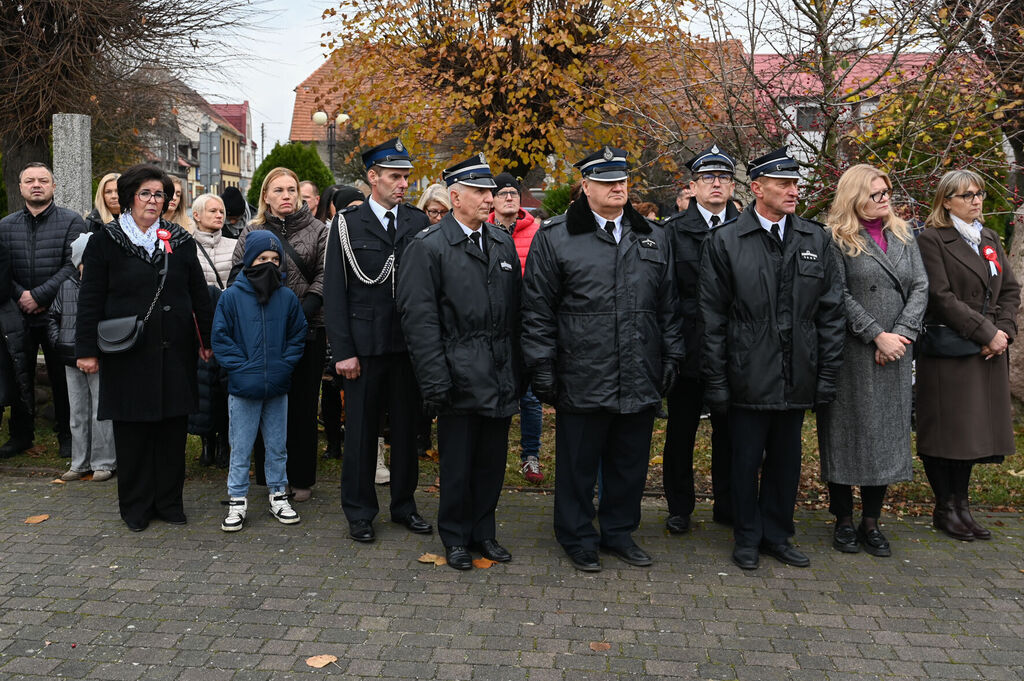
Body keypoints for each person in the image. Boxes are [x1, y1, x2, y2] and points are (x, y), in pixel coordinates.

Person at [522, 146, 684, 572]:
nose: (618, 187)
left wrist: (672, 357)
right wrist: (542, 366)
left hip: (638, 369)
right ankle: (576, 536)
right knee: (578, 463)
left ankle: (618, 532)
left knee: (628, 462)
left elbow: (668, 306)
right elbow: (537, 309)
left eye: (623, 180)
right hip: (582, 370)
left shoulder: (652, 235)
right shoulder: (556, 236)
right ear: (586, 186)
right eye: (608, 180)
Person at [700, 147, 845, 570]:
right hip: (748, 375)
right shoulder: (726, 240)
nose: (793, 190)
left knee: (786, 463)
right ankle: (746, 536)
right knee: (743, 463)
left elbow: (830, 313)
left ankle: (778, 534)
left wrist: (826, 375)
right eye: (783, 183)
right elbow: (711, 319)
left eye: (796, 183)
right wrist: (717, 380)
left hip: (797, 373)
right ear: (757, 188)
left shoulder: (814, 238)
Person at [397, 154, 522, 570]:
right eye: (481, 192)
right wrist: (435, 382)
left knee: (491, 463)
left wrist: (517, 371)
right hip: (456, 377)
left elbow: (515, 314)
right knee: (457, 465)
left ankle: (483, 532)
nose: (491, 198)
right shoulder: (428, 247)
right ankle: (454, 537)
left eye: (491, 191)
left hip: (499, 374)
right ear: (455, 197)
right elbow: (419, 321)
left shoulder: (502, 242)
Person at [76, 163, 213, 532]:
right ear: (127, 198)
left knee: (171, 430)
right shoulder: (105, 240)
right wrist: (86, 349)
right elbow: (89, 299)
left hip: (174, 350)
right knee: (133, 432)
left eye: (160, 195)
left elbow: (198, 293)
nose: (154, 201)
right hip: (127, 352)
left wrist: (207, 340)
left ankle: (169, 503)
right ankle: (135, 507)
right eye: (146, 193)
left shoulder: (179, 239)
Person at [817, 164, 929, 556]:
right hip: (853, 352)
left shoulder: (903, 234)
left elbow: (920, 286)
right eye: (875, 194)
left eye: (886, 193)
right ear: (854, 197)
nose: (884, 200)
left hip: (895, 352)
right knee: (847, 435)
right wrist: (876, 335)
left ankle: (872, 521)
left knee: (884, 438)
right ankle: (843, 520)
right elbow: (837, 295)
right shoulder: (835, 238)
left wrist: (901, 335)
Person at [323, 138, 432, 543]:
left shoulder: (417, 223)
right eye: (395, 177)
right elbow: (335, 292)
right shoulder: (348, 225)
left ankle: (404, 506)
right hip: (364, 349)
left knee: (405, 433)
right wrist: (344, 352)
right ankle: (360, 512)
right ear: (373, 178)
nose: (404, 184)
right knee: (362, 435)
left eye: (406, 176)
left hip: (406, 348)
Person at [916, 170, 1020, 541]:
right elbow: (940, 298)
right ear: (946, 201)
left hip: (988, 350)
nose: (976, 200)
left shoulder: (989, 237)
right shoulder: (933, 239)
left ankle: (962, 506)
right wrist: (985, 332)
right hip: (952, 350)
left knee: (972, 434)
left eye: (979, 193)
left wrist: (1004, 331)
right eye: (966, 195)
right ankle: (944, 506)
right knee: (947, 433)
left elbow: (1009, 289)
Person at [231, 168, 328, 503]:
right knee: (264, 402)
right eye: (279, 190)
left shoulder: (319, 230)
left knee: (301, 407)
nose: (286, 196)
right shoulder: (252, 230)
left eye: (291, 189)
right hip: (259, 334)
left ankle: (300, 477)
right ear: (266, 196)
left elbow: (325, 275)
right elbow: (236, 275)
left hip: (308, 329)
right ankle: (269, 477)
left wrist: (300, 314)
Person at [661, 144, 740, 534]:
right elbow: (667, 296)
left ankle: (728, 504)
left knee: (731, 433)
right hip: (689, 348)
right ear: (692, 186)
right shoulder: (672, 231)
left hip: (734, 348)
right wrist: (671, 349)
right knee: (681, 432)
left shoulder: (748, 227)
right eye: (708, 177)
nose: (716, 184)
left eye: (724, 177)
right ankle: (679, 507)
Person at [213, 230, 308, 532]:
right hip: (243, 388)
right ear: (248, 260)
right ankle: (237, 498)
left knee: (277, 445)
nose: (269, 264)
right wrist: (241, 367)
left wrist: (284, 365)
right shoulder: (231, 297)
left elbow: (298, 334)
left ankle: (278, 494)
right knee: (240, 446)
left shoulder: (287, 297)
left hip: (277, 387)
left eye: (275, 259)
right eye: (262, 258)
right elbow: (221, 337)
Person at [0, 162, 86, 459]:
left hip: (57, 313)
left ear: (53, 186)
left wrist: (38, 296)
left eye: (43, 180)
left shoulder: (72, 222)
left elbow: (72, 266)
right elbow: (2, 269)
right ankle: (21, 435)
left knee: (62, 378)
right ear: (21, 186)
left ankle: (67, 434)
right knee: (17, 375)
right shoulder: (5, 225)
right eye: (30, 181)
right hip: (17, 314)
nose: (36, 185)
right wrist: (21, 296)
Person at [488, 172, 544, 484]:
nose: (510, 197)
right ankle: (491, 456)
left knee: (531, 396)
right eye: (503, 193)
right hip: (494, 327)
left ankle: (530, 455)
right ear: (492, 199)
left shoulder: (537, 232)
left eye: (513, 193)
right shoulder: (484, 231)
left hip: (527, 325)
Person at [49, 233, 116, 482]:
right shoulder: (65, 285)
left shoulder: (107, 286)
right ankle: (79, 462)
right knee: (77, 412)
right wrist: (59, 341)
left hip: (99, 356)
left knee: (101, 411)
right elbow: (53, 316)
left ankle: (104, 461)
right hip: (70, 357)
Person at [189, 193, 236, 467]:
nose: (219, 215)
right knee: (201, 385)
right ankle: (205, 441)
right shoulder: (185, 246)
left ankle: (224, 442)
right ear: (196, 215)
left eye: (221, 211)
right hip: (197, 324)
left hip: (228, 322)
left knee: (224, 384)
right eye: (213, 211)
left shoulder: (234, 244)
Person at [319, 185, 365, 461]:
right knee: (331, 386)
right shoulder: (331, 234)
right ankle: (334, 442)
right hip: (334, 324)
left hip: (362, 323)